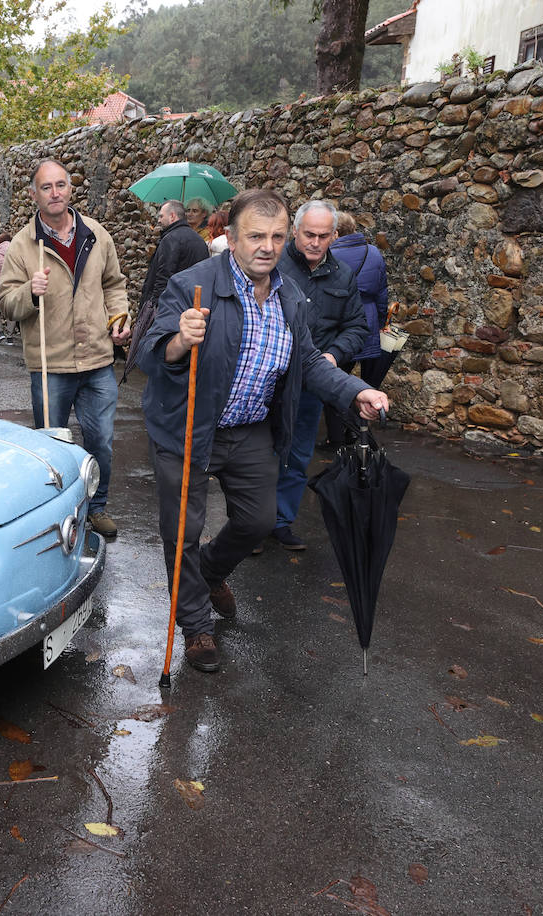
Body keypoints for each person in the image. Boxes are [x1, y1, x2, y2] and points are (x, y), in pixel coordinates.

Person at [138, 188, 389, 673]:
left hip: (250, 426)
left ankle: (209, 571)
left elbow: (309, 361)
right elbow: (150, 352)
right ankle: (195, 627)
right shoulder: (193, 285)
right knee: (182, 531)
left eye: (276, 236)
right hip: (189, 425)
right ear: (231, 238)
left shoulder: (291, 297)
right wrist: (178, 341)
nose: (267, 247)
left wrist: (353, 392)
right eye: (256, 236)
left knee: (259, 520)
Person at [0, 159, 130, 540]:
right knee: (52, 445)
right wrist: (28, 293)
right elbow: (5, 301)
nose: (54, 193)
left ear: (70, 189)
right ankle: (57, 513)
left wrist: (119, 316)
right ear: (33, 194)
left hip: (97, 360)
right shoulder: (24, 245)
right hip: (49, 364)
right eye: (46, 187)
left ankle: (96, 507)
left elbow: (114, 284)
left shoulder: (96, 234)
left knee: (101, 441)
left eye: (60, 185)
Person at [269, 199, 368, 551]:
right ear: (295, 232)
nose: (314, 242)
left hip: (312, 383)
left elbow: (357, 327)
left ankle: (280, 522)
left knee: (297, 454)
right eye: (308, 234)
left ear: (335, 235)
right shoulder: (273, 267)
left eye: (323, 236)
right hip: (269, 379)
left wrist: (333, 355)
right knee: (260, 452)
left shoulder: (343, 275)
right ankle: (249, 524)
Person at [323, 211, 393, 448]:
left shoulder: (330, 253)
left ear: (335, 232)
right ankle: (358, 431)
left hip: (339, 321)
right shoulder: (373, 252)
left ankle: (337, 437)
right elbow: (382, 292)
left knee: (334, 380)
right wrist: (381, 321)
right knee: (367, 384)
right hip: (370, 319)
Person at [124, 200, 209, 381]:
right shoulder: (199, 241)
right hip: (191, 304)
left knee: (160, 354)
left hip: (169, 307)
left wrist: (155, 307)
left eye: (161, 216)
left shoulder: (170, 239)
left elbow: (163, 276)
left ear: (172, 216)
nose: (159, 220)